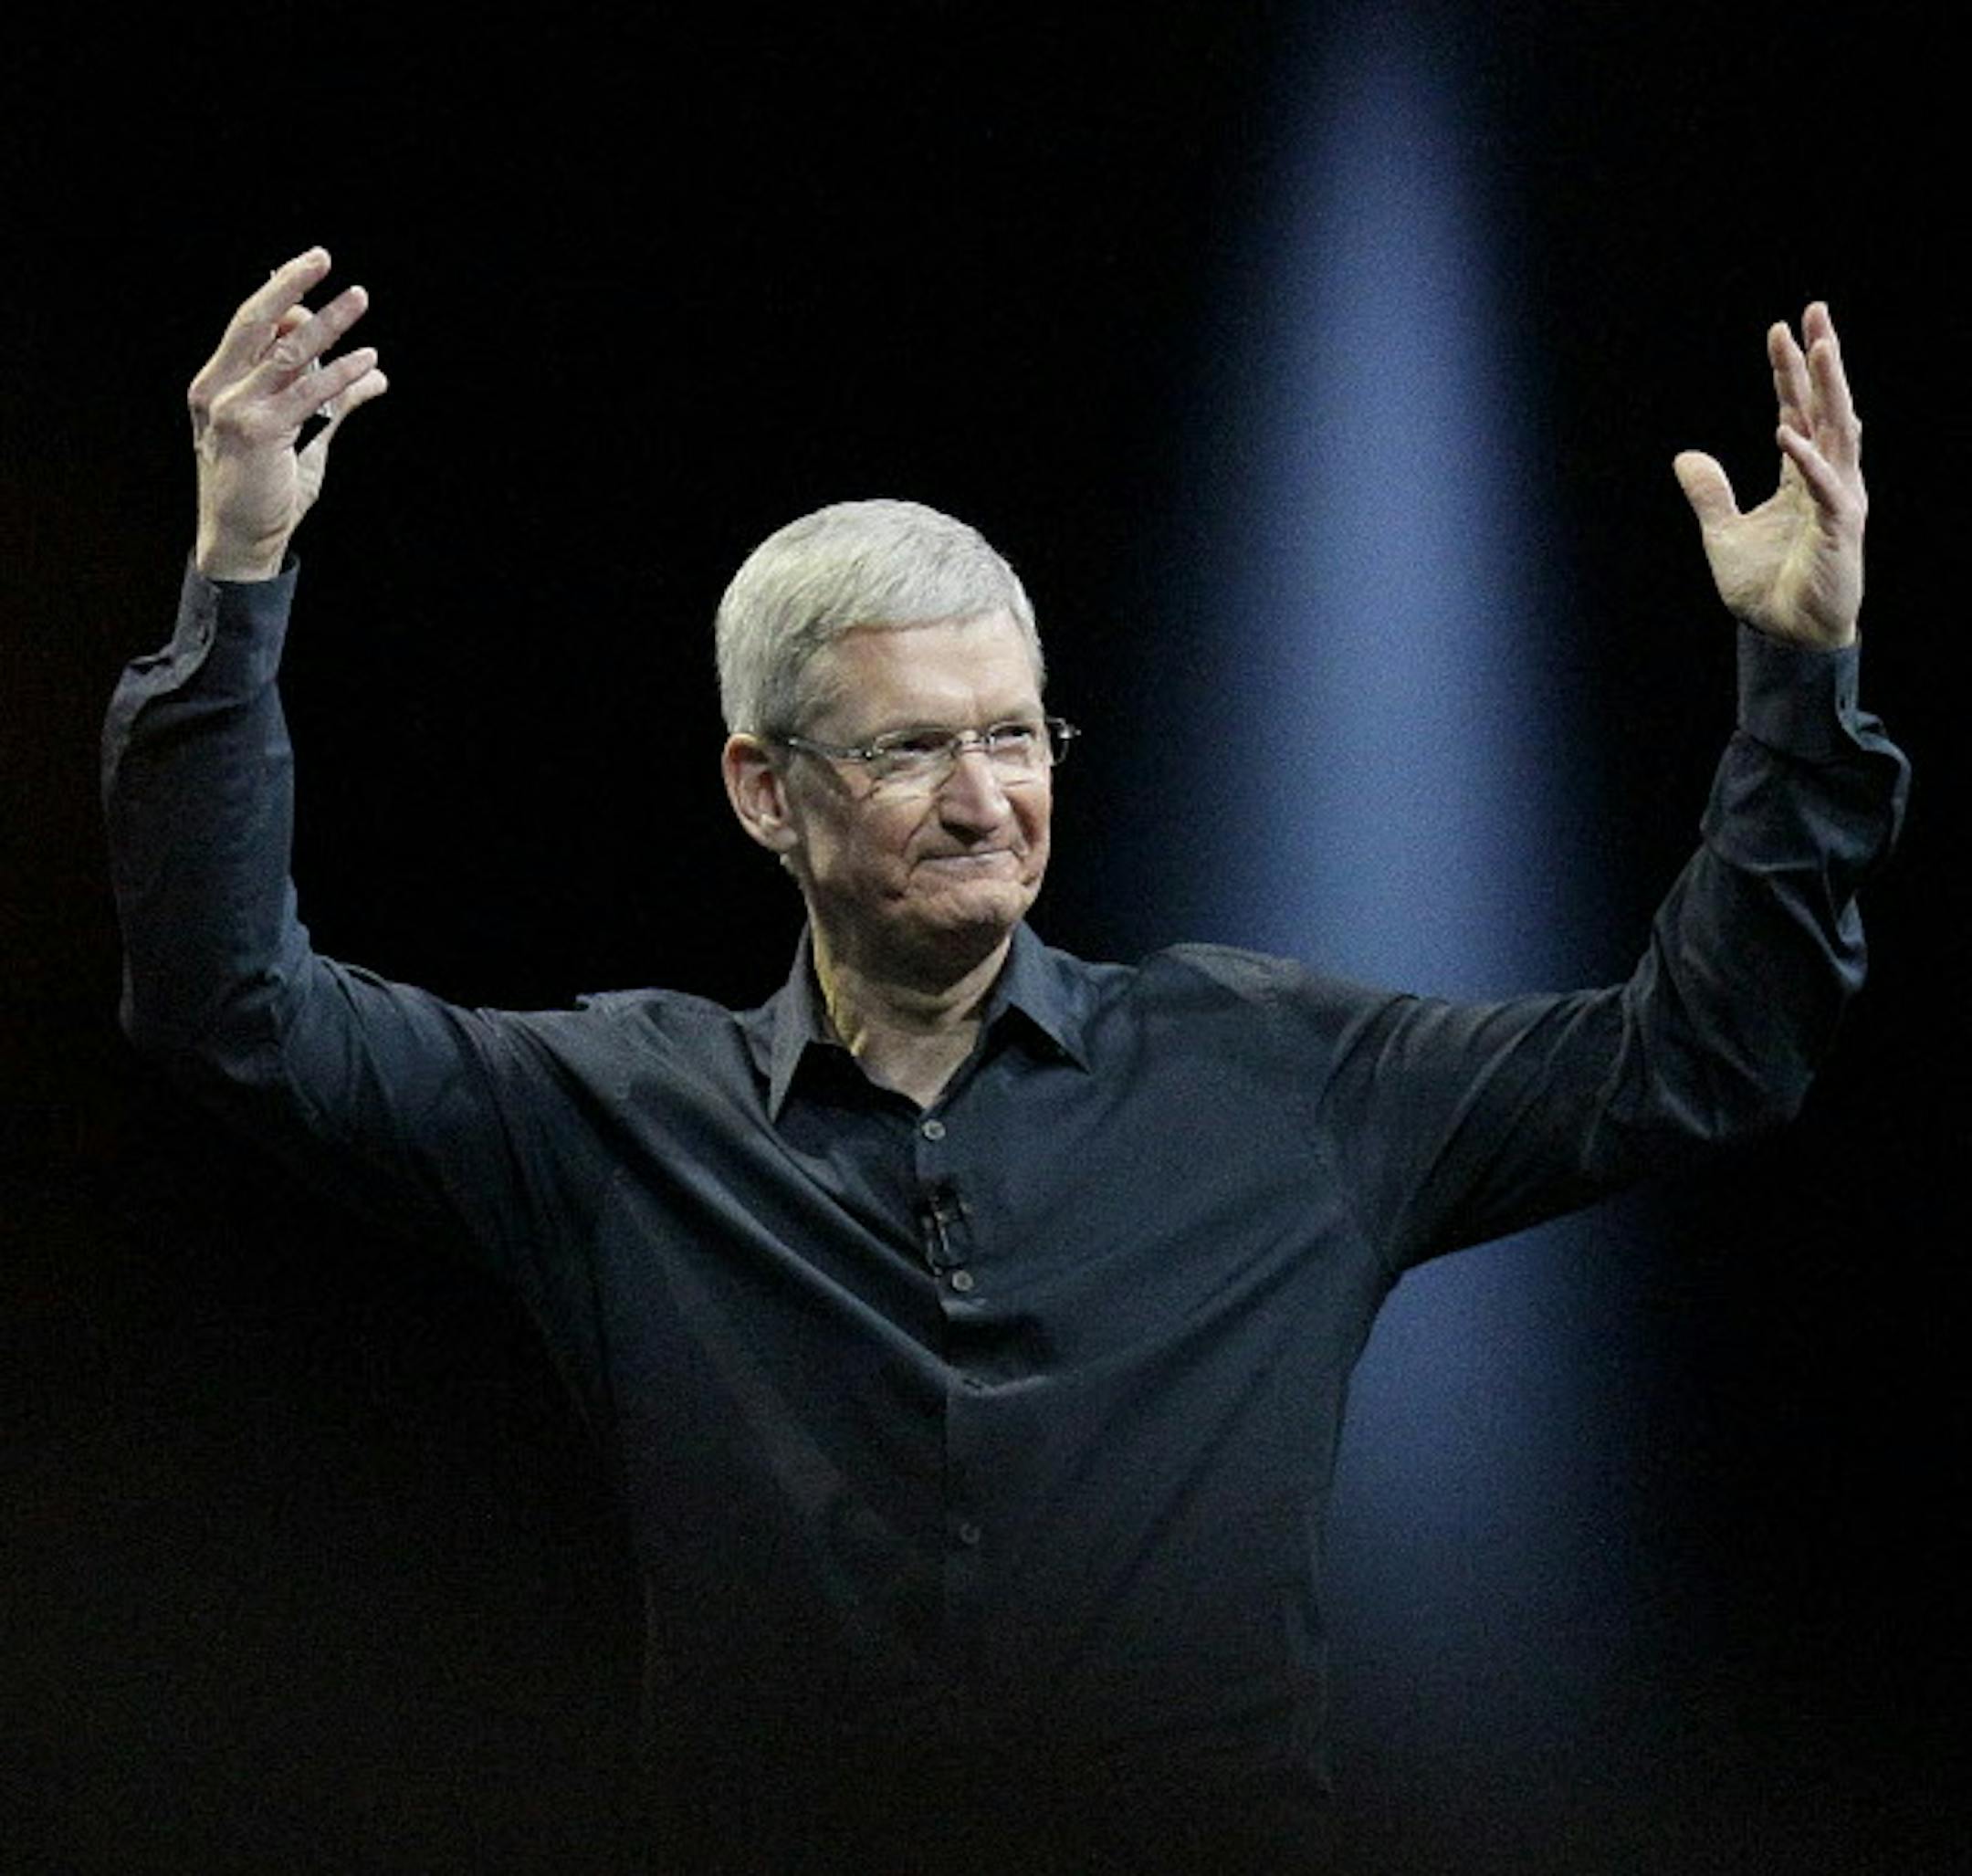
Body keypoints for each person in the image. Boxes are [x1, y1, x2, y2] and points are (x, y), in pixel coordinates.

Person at [103, 249, 1906, 1872]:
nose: (986, 799)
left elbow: (1705, 1054)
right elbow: (234, 1010)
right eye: (908, 751)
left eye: (1014, 735)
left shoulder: (1281, 1072)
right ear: (764, 791)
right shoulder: (617, 1114)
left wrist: (1799, 675)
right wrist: (238, 575)